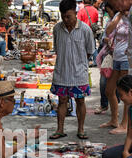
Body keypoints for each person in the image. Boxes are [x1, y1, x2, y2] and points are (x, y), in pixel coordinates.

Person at [49, 0, 95, 140]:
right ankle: (60, 129)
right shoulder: (57, 29)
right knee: (62, 100)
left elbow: (89, 51)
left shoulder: (85, 29)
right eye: (63, 16)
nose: (65, 19)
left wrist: (79, 63)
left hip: (79, 74)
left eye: (68, 16)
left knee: (80, 101)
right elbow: (57, 49)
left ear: (76, 13)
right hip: (61, 72)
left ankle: (81, 130)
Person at [99, 11, 130, 134]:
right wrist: (119, 15)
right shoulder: (119, 15)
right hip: (116, 56)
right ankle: (114, 120)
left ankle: (125, 124)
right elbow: (108, 31)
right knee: (109, 90)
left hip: (126, 58)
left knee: (125, 93)